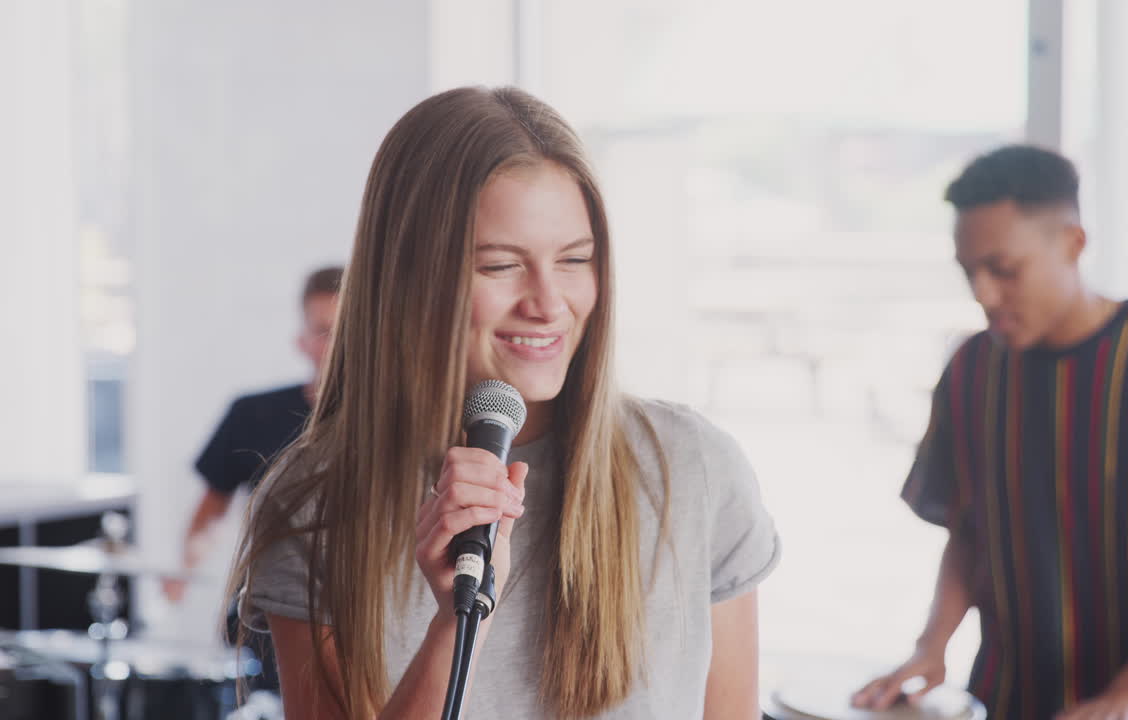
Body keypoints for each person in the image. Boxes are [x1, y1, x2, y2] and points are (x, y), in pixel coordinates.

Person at [226, 86, 781, 719]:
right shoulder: (316, 501)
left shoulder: (693, 468)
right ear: (409, 275)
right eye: (500, 266)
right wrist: (455, 621)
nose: (548, 302)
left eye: (575, 259)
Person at [853, 145, 1128, 720]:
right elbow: (968, 532)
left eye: (1004, 269)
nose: (983, 293)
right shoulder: (971, 371)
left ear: (1073, 243)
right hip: (1009, 698)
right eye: (969, 271)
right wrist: (931, 647)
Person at [165, 265, 342, 604]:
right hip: (265, 608)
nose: (335, 345)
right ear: (301, 341)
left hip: (356, 605)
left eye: (345, 330)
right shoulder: (252, 414)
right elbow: (211, 510)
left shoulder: (392, 422)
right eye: (323, 331)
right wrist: (185, 571)